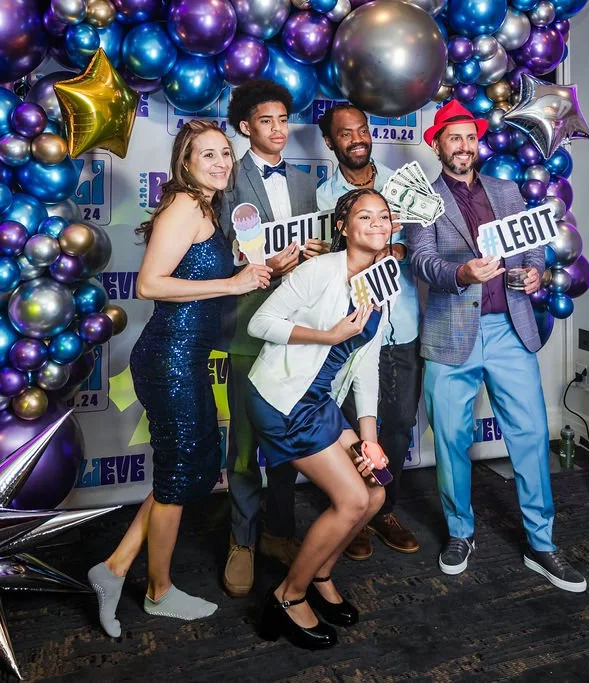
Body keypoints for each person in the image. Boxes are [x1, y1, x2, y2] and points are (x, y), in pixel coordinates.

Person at [87, 121, 272, 638]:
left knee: (188, 470)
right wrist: (231, 281)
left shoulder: (206, 207)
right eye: (206, 155)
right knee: (178, 478)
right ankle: (158, 592)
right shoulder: (185, 206)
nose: (219, 163)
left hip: (186, 359)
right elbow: (149, 284)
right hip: (168, 359)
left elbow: (204, 282)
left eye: (224, 154)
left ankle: (116, 567)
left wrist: (258, 271)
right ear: (185, 163)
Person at [408, 100, 587, 592]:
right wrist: (460, 272)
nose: (464, 146)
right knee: (449, 442)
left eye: (470, 137)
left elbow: (529, 243)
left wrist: (532, 272)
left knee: (530, 435)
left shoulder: (505, 190)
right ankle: (460, 533)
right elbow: (422, 261)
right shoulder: (423, 198)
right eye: (454, 137)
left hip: (510, 328)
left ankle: (542, 543)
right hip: (451, 334)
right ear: (438, 143)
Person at [248, 188, 393, 649]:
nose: (376, 223)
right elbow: (261, 323)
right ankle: (287, 597)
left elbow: (366, 368)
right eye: (364, 216)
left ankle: (321, 575)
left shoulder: (379, 288)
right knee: (352, 499)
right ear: (343, 228)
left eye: (384, 216)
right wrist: (328, 336)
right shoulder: (318, 271)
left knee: (374, 491)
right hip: (283, 399)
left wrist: (369, 440)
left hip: (319, 403)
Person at [218, 78, 330, 598]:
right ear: (246, 127)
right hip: (247, 328)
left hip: (297, 330)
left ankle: (279, 533)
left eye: (284, 120)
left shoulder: (306, 180)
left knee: (287, 442)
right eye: (267, 121)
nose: (279, 129)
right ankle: (241, 539)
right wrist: (265, 264)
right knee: (244, 443)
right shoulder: (226, 179)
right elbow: (221, 252)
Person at [316, 104, 421, 560]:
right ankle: (351, 509)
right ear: (330, 142)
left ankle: (383, 510)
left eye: (362, 130)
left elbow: (430, 246)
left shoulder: (405, 186)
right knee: (346, 426)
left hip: (403, 327)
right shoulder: (324, 199)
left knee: (396, 427)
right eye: (345, 133)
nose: (357, 138)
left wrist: (401, 245)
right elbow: (326, 269)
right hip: (354, 331)